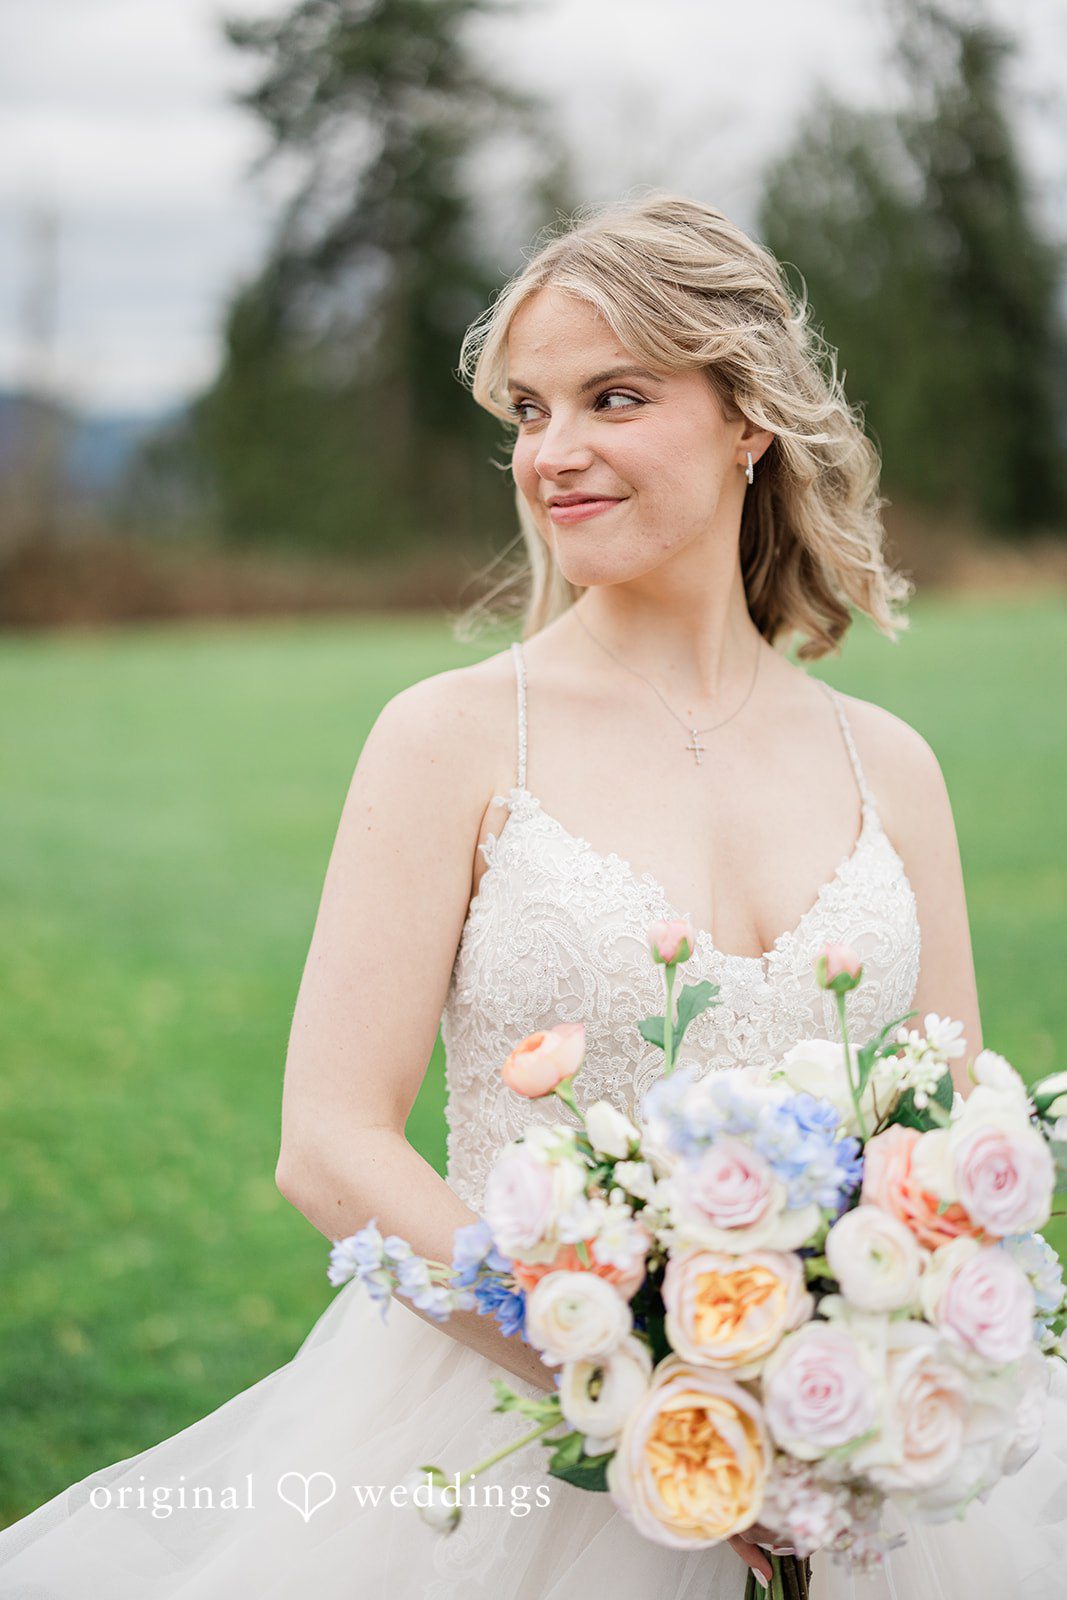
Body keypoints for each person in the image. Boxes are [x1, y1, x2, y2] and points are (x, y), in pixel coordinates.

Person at [0, 192, 1063, 1598]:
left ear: (749, 417)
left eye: (613, 398)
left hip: (851, 1455)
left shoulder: (893, 768)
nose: (553, 453)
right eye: (527, 411)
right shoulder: (449, 740)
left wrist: (852, 1388)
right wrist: (649, 1397)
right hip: (504, 1453)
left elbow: (949, 1141)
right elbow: (329, 1143)